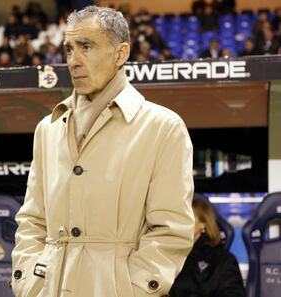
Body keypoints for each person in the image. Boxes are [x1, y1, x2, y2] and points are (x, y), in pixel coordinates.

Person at [11, 6, 195, 297]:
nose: (74, 61)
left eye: (86, 47)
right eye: (69, 49)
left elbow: (170, 231)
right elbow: (32, 220)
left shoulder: (163, 127)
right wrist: (28, 283)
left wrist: (132, 289)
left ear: (121, 54)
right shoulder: (48, 129)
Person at [169, 197, 245, 297]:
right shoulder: (165, 255)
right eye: (178, 217)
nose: (180, 222)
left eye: (186, 216)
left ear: (203, 223)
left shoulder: (223, 260)